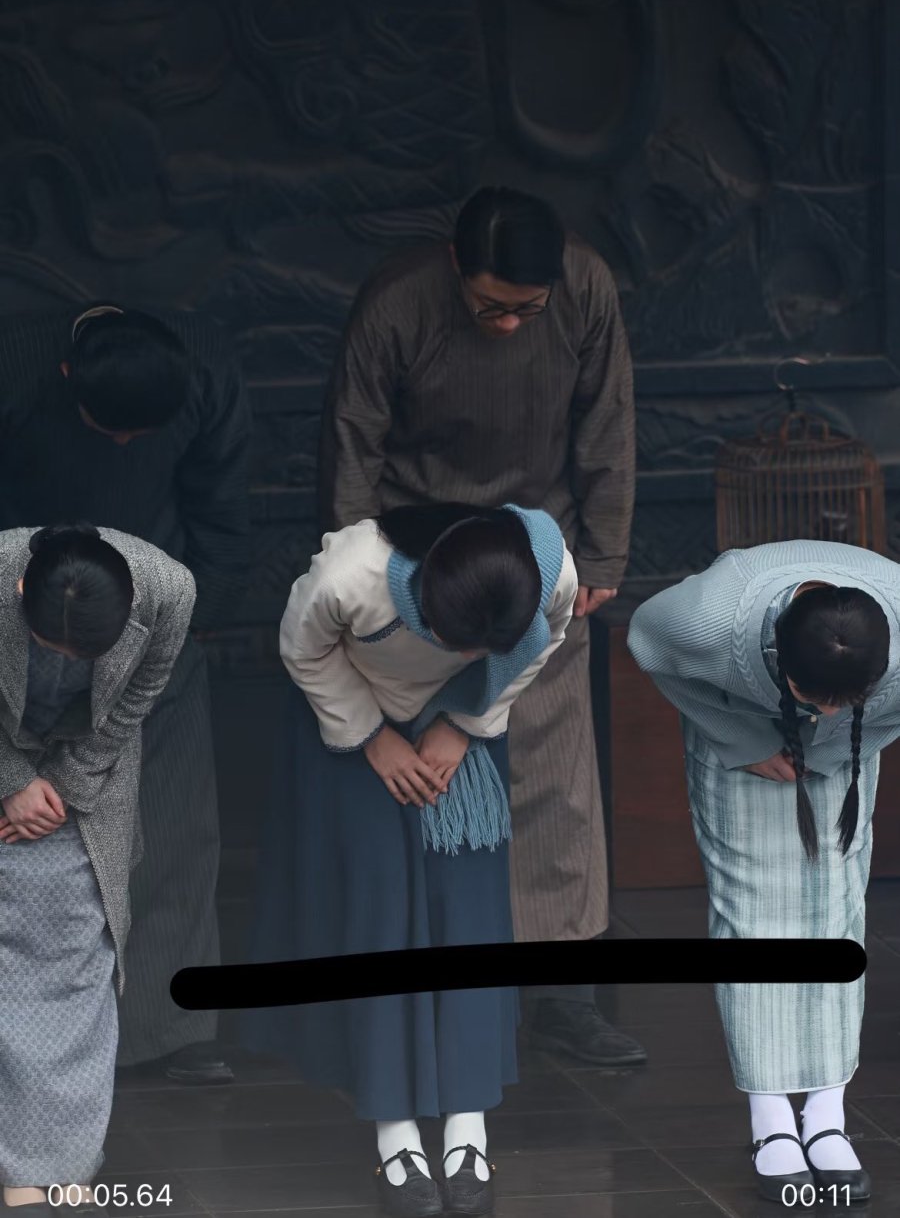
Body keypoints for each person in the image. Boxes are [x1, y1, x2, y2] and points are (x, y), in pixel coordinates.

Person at [318, 185, 643, 1067]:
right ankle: (423, 978)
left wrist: (603, 554)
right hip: (416, 549)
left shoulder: (586, 288)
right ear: (456, 264)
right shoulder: (399, 303)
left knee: (553, 773)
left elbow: (607, 419)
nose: (506, 325)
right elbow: (353, 442)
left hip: (540, 546)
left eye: (525, 311)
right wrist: (357, 571)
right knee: (421, 771)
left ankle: (565, 991)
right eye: (489, 307)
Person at [246, 503, 577, 1216]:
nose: (469, 655)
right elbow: (302, 647)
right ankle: (395, 1132)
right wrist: (373, 737)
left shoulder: (550, 568)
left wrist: (465, 723)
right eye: (457, 642)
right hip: (354, 723)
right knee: (379, 920)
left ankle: (468, 1127)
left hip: (463, 731)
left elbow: (548, 637)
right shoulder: (351, 574)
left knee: (471, 921)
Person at [0, 304, 252, 1085]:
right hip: (21, 612)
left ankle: (168, 1025)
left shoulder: (204, 369)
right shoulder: (18, 365)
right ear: (68, 376)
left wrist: (200, 615)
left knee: (170, 826)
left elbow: (222, 501)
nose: (122, 446)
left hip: (145, 618)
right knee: (25, 833)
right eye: (107, 429)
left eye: (139, 435)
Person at [626, 538, 900, 1204]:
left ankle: (827, 1115)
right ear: (778, 656)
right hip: (740, 736)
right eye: (814, 698)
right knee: (753, 923)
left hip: (848, 755)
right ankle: (772, 1119)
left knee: (836, 918)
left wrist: (832, 745)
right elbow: (645, 640)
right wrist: (744, 741)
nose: (824, 712)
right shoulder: (714, 614)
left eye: (841, 700)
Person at [0, 524, 195, 1212]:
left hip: (87, 780)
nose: (65, 661)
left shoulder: (168, 591)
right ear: (20, 590)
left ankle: (60, 1163)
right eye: (49, 645)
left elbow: (134, 702)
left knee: (74, 954)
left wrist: (62, 787)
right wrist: (11, 781)